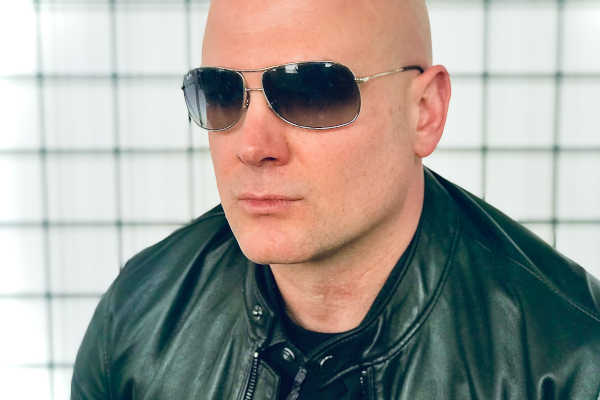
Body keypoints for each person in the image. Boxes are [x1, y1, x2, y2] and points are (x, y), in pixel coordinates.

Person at [71, 0, 600, 398]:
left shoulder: (571, 362)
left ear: (424, 113)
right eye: (222, 95)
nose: (252, 147)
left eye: (311, 94)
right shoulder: (138, 318)